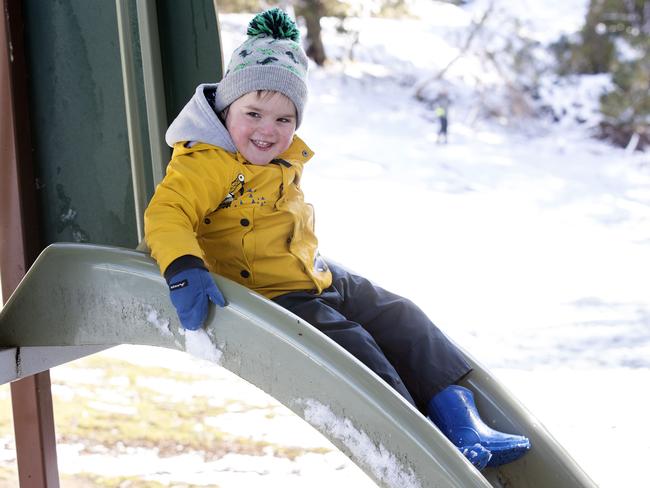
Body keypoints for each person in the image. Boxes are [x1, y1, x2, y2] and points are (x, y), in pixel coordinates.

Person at [144, 8, 529, 471]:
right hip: (271, 293)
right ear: (225, 111)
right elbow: (168, 212)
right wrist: (184, 266)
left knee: (401, 315)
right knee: (357, 346)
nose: (269, 129)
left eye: (285, 119)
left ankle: (462, 420)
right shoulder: (206, 161)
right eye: (253, 113)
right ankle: (428, 447)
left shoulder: (281, 159)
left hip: (313, 273)